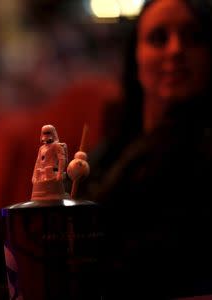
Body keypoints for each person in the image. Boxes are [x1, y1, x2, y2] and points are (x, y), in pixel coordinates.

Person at [89, 0, 212, 298]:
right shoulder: (118, 142)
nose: (175, 50)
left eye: (193, 37)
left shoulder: (202, 153)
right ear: (135, 57)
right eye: (159, 38)